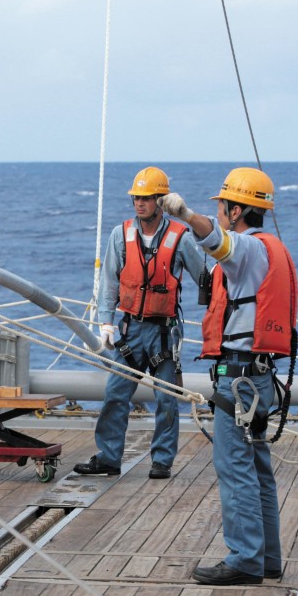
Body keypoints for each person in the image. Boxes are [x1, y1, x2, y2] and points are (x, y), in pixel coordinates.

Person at [159, 167, 295, 586]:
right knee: (256, 468)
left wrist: (184, 213)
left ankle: (244, 560)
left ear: (237, 211)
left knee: (234, 468)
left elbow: (214, 241)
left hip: (239, 382)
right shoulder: (269, 248)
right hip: (256, 379)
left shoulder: (247, 250)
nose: (219, 212)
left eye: (223, 206)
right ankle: (266, 557)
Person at [75, 166, 204, 480]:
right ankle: (108, 457)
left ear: (161, 200)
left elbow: (205, 277)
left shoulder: (181, 238)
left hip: (164, 334)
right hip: (130, 330)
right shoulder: (121, 234)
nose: (139, 204)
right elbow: (109, 282)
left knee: (166, 397)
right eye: (136, 198)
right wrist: (105, 323)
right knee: (115, 394)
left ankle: (162, 460)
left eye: (146, 198)